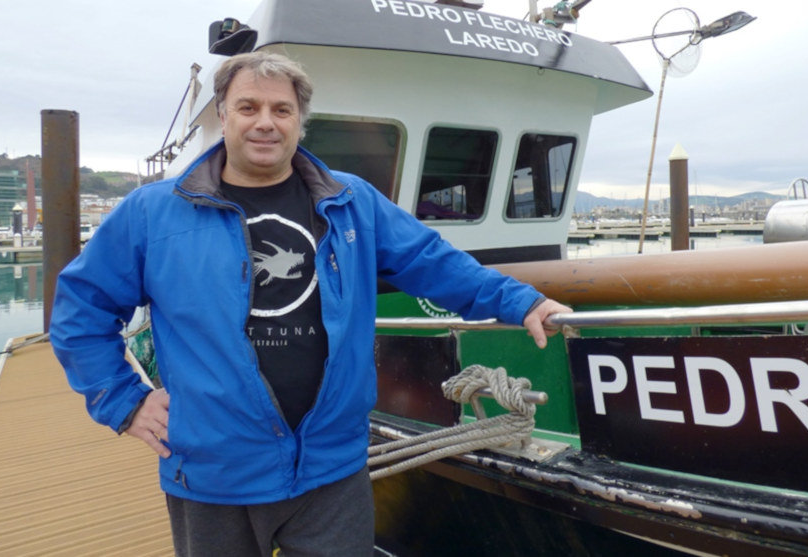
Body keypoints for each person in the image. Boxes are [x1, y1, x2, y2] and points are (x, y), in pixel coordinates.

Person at [50, 51, 570, 556]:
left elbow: (434, 262)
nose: (265, 123)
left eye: (282, 110)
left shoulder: (352, 202)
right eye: (248, 107)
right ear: (223, 115)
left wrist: (520, 302)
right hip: (213, 474)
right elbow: (81, 310)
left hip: (330, 469)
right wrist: (125, 402)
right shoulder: (153, 213)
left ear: (301, 122)